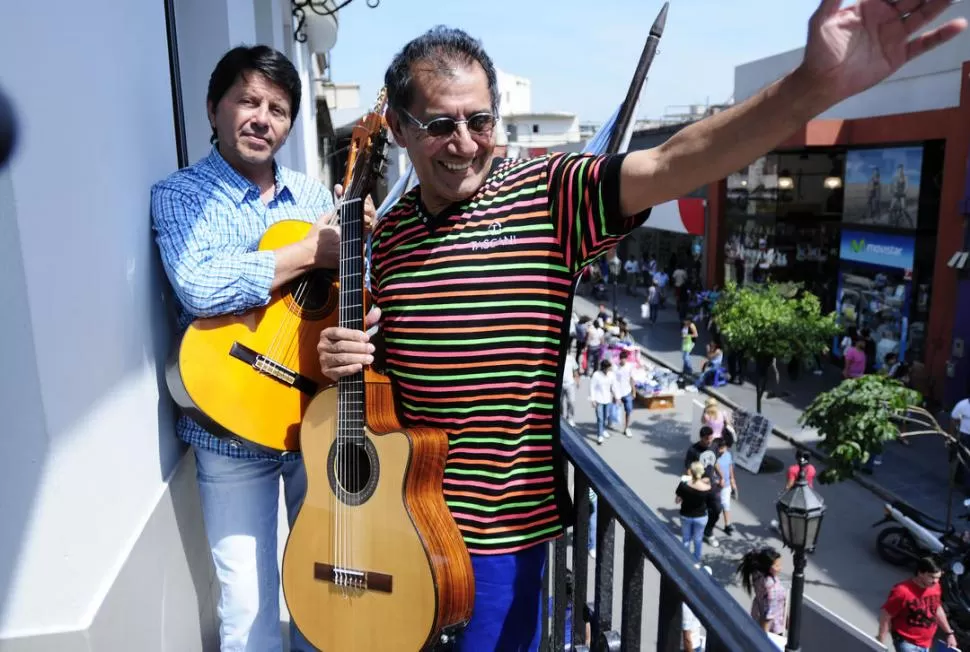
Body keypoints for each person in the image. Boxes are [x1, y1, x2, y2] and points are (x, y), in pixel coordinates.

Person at [318, 6, 967, 648]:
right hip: (392, 517)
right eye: (439, 124)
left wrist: (813, 86)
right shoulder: (391, 234)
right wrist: (348, 352)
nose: (464, 143)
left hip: (495, 539)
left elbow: (671, 161)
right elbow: (382, 367)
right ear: (399, 130)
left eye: (480, 120)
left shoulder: (548, 193)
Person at [151, 46, 346, 652]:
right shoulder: (180, 194)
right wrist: (310, 253)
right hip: (228, 430)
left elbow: (341, 302)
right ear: (214, 108)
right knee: (247, 606)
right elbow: (199, 284)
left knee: (326, 590)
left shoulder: (316, 200)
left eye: (279, 108)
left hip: (310, 421)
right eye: (249, 100)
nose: (263, 117)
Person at [876, 557, 957, 652]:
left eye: (938, 577)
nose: (935, 581)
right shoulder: (902, 592)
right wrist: (880, 642)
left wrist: (949, 633)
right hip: (906, 643)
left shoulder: (935, 587)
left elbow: (937, 609)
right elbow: (886, 616)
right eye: (931, 577)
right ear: (920, 573)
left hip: (926, 643)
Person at [737, 547, 787, 638]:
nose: (780, 568)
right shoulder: (773, 588)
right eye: (777, 566)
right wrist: (764, 638)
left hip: (757, 613)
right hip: (774, 627)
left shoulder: (757, 573)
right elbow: (768, 617)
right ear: (768, 567)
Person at [676, 462, 717, 563]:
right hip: (701, 517)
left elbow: (677, 500)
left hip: (685, 515)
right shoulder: (708, 488)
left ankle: (684, 559)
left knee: (686, 538)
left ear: (691, 472)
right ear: (702, 472)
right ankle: (697, 560)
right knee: (698, 539)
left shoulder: (684, 484)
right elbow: (712, 504)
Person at [590, 359, 617, 445]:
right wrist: (593, 399)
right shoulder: (596, 375)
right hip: (598, 400)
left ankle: (603, 430)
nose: (609, 370)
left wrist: (616, 396)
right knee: (600, 418)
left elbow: (613, 386)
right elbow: (592, 387)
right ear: (604, 368)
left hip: (607, 399)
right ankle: (600, 436)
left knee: (605, 417)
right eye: (608, 368)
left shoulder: (611, 375)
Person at [715, 438, 738, 537]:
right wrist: (716, 481)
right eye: (720, 448)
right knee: (713, 506)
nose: (722, 450)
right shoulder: (713, 457)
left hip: (726, 485)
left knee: (726, 504)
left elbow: (730, 467)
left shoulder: (728, 455)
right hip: (714, 485)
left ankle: (727, 525)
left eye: (723, 448)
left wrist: (733, 480)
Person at [612, 350, 636, 437]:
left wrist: (634, 391)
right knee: (613, 410)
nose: (623, 360)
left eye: (624, 359)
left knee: (628, 410)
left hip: (627, 392)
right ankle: (610, 421)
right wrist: (612, 393)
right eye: (621, 359)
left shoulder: (629, 367)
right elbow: (612, 380)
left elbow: (632, 379)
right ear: (619, 359)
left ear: (626, 359)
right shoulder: (615, 368)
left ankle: (626, 428)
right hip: (617, 393)